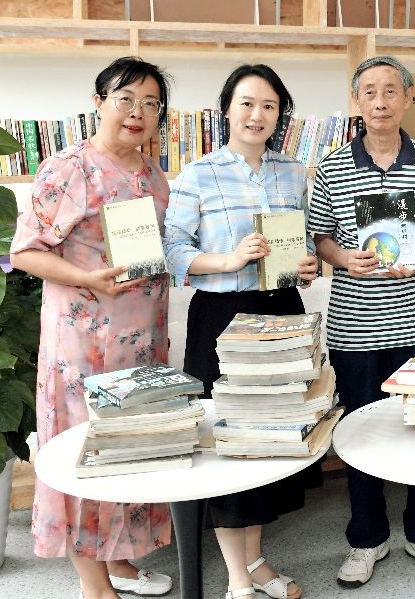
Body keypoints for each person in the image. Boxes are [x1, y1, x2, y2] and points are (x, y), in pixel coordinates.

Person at [11, 57, 176, 599]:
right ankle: (93, 583)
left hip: (141, 341)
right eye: (125, 99)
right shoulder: (67, 169)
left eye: (150, 104)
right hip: (82, 346)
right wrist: (87, 278)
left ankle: (120, 560)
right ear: (99, 102)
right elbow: (26, 252)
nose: (137, 112)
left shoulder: (152, 173)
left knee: (127, 447)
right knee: (84, 450)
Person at [162, 64, 321, 599]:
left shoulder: (294, 172)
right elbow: (173, 251)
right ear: (227, 109)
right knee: (230, 439)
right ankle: (237, 578)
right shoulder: (198, 173)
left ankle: (255, 560)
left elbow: (304, 242)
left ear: (280, 115)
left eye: (269, 106)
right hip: (222, 316)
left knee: (271, 437)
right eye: (247, 103)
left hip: (282, 311)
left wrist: (307, 266)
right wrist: (229, 259)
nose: (258, 115)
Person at [309, 56, 415, 589]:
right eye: (369, 92)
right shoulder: (332, 166)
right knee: (360, 434)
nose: (380, 101)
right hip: (355, 330)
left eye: (391, 91)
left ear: (408, 98)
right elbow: (320, 237)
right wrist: (343, 258)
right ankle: (367, 538)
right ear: (357, 101)